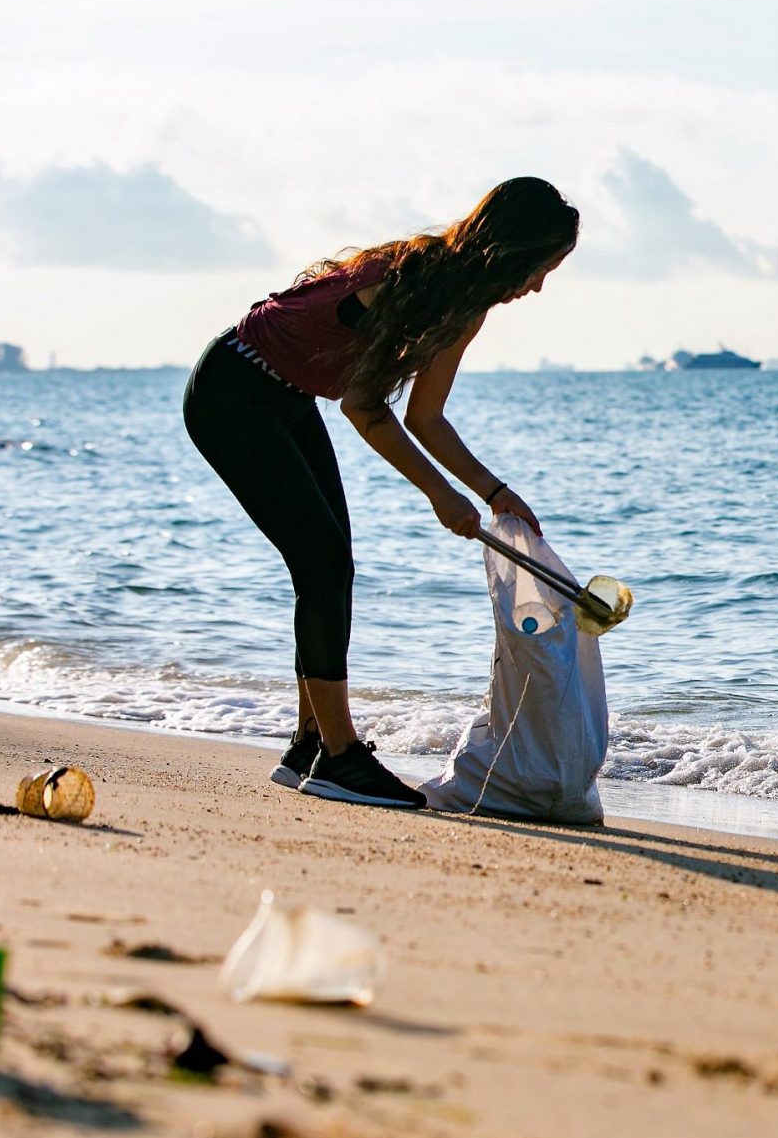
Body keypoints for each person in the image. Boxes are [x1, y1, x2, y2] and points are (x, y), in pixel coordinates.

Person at [182, 177, 578, 808]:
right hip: (232, 391)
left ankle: (310, 745)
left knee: (331, 564)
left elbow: (426, 418)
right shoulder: (411, 281)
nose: (537, 286)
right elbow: (364, 407)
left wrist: (492, 490)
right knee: (323, 562)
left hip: (283, 397)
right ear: (512, 251)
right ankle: (340, 758)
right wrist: (438, 494)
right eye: (540, 268)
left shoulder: (463, 309)